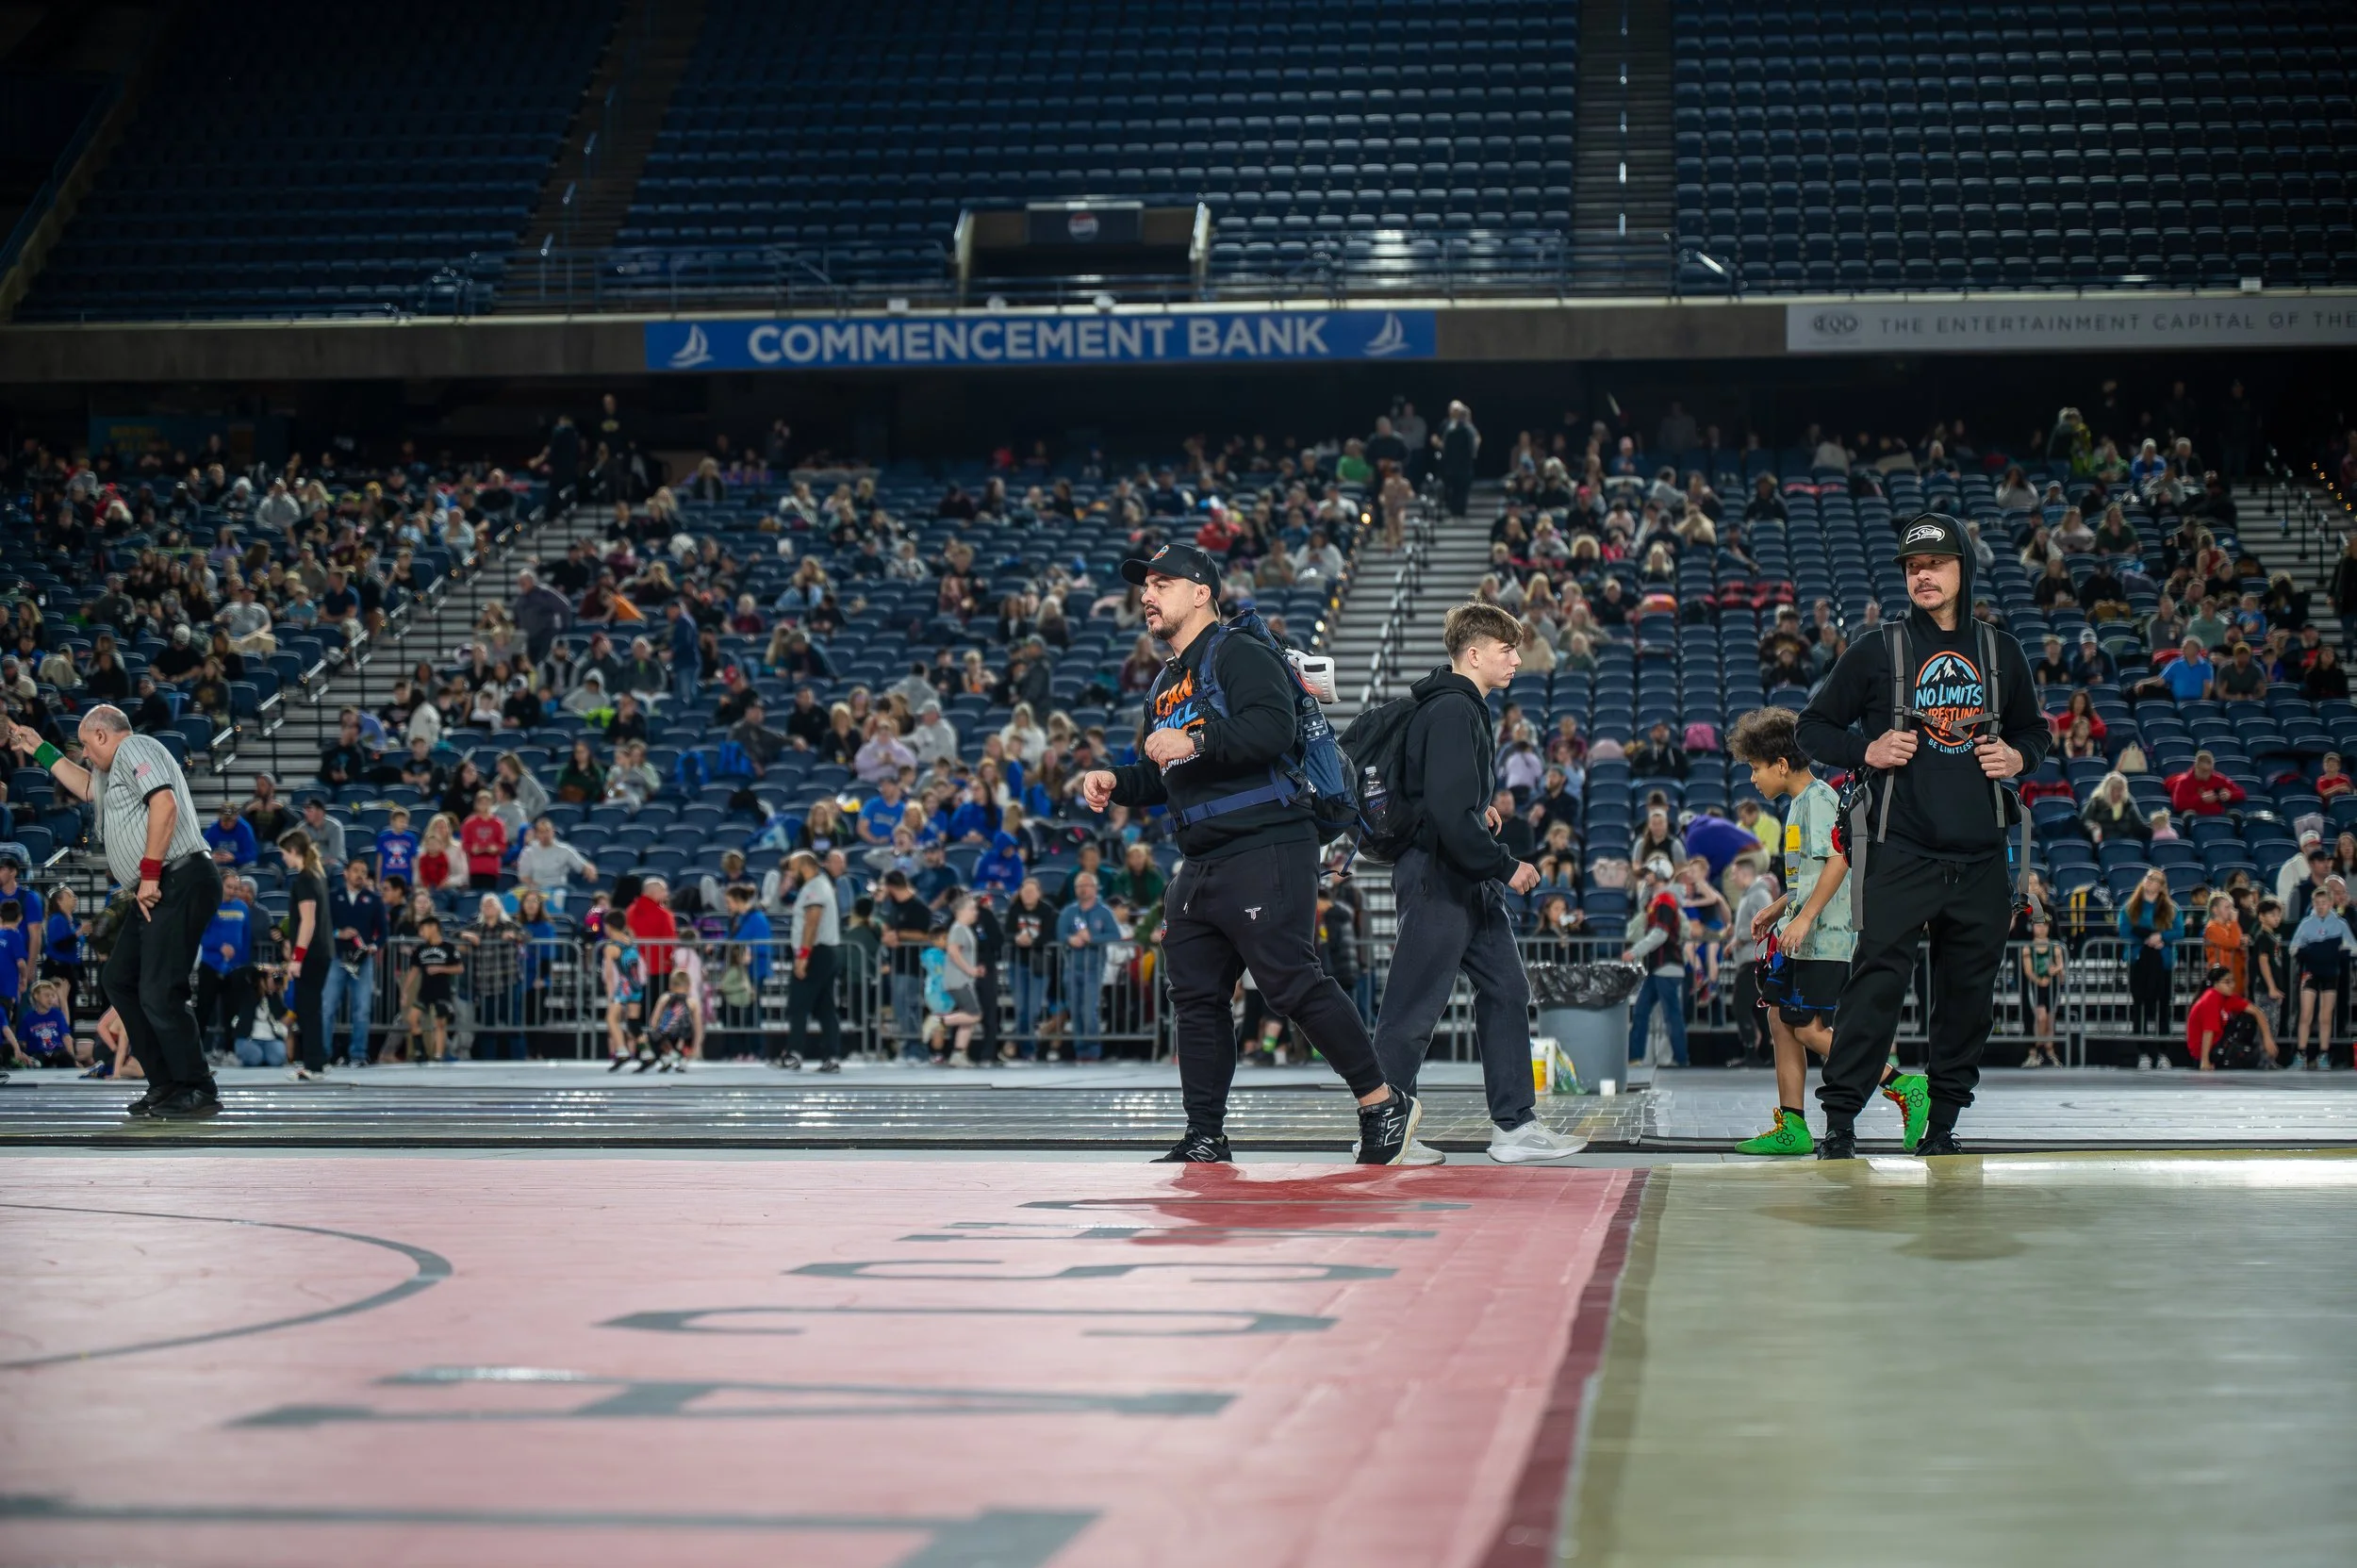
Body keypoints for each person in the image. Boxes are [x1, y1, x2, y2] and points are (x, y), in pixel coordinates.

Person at [1078, 542, 1418, 1163]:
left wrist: (1196, 735)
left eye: (1162, 582)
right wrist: (1116, 779)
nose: (1148, 595)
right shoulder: (1165, 681)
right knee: (1197, 997)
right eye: (1145, 586)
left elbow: (1271, 729)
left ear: (1201, 590)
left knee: (1290, 982)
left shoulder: (1239, 651)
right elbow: (1167, 774)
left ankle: (1381, 1101)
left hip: (1266, 845)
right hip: (1201, 859)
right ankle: (1205, 1133)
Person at [1794, 513, 2049, 1158]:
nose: (1923, 576)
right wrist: (1866, 748)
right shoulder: (1879, 649)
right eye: (1912, 568)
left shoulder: (2001, 651)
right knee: (1875, 988)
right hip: (1900, 851)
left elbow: (2034, 733)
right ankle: (1841, 1125)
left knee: (1968, 1001)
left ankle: (1942, 1128)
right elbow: (1812, 728)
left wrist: (2019, 758)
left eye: (1934, 564)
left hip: (1982, 855)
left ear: (1963, 566)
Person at [1372, 603, 1582, 1165]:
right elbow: (1443, 809)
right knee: (1413, 1007)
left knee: (1508, 991)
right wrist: (1503, 864)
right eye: (1505, 650)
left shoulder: (1459, 708)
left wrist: (1477, 814)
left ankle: (1515, 1128)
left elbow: (1449, 802)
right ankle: (1383, 1131)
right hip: (1439, 874)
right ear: (1473, 654)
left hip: (1460, 873)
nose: (1516, 659)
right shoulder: (1450, 710)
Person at [1724, 706, 1929, 1155]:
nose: (1753, 779)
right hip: (1805, 934)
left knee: (1809, 1029)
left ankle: (1904, 1085)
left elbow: (1841, 858)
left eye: (1756, 768)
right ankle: (1792, 1125)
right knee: (1780, 1017)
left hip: (1828, 939)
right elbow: (1808, 876)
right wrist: (1779, 908)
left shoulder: (1818, 801)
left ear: (1781, 765)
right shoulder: (1799, 805)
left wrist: (1803, 917)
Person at [9, 706, 222, 1116]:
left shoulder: (137, 747)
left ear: (104, 736)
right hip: (159, 884)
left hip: (177, 878)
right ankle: (165, 1084)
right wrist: (39, 749)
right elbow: (88, 786)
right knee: (119, 978)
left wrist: (149, 872)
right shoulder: (113, 771)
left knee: (161, 990)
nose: (86, 754)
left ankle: (198, 1087)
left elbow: (164, 803)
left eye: (87, 746)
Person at [772, 851, 842, 1072]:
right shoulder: (821, 885)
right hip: (826, 951)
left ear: (804, 866)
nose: (791, 875)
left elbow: (812, 922)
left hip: (816, 952)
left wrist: (803, 956)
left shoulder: (815, 888)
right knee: (825, 1007)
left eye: (793, 869)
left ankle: (794, 1053)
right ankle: (831, 1056)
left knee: (799, 1005)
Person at [278, 828, 333, 1081]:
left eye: (284, 853)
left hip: (311, 954)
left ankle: (313, 1065)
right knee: (312, 1008)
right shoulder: (316, 876)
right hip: (320, 952)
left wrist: (297, 957)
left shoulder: (305, 879)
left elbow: (308, 922)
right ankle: (317, 1060)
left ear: (294, 851)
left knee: (308, 1008)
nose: (283, 859)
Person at [322, 856, 386, 1068]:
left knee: (362, 1009)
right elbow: (323, 926)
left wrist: (373, 946)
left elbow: (384, 932)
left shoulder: (373, 899)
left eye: (364, 871)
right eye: (356, 870)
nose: (360, 875)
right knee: (327, 1007)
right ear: (346, 873)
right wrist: (337, 933)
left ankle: (358, 1054)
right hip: (337, 958)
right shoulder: (332, 897)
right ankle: (324, 1054)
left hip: (363, 961)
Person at [2118, 868, 2182, 1065]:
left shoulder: (2171, 908)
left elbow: (2179, 931)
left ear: (2162, 886)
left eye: (2156, 880)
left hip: (2163, 961)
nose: (2150, 882)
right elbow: (2124, 931)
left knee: (2163, 1007)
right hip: (2139, 960)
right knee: (2140, 1007)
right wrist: (2148, 937)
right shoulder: (2130, 907)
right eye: (2148, 878)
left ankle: (2163, 1053)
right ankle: (2142, 1052)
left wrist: (2161, 937)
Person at [2290, 881, 2356, 1070]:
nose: (2321, 907)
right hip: (2310, 972)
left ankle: (2324, 1054)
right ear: (2313, 903)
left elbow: (2353, 947)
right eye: (2317, 903)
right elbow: (2294, 948)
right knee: (2306, 1014)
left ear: (2331, 903)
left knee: (2325, 1016)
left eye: (2324, 903)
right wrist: (2308, 951)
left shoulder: (2340, 923)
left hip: (2330, 973)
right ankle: (2300, 1054)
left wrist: (2339, 952)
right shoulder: (2306, 923)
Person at [2189, 964, 2276, 1070]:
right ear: (2215, 984)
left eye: (2232, 981)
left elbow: (2257, 1012)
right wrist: (2205, 1061)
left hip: (2219, 1042)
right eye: (2227, 982)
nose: (2232, 985)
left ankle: (2248, 1052)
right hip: (2204, 1051)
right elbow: (2208, 1030)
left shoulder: (2228, 997)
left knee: (2248, 1016)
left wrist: (2268, 1039)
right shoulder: (2211, 997)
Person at [2019, 915, 2066, 1068]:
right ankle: (2038, 1050)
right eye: (2038, 925)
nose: (2041, 928)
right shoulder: (2028, 947)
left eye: (2044, 926)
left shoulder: (2055, 947)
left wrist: (2056, 971)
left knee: (2050, 1019)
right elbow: (2028, 970)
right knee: (2041, 1017)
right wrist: (2039, 980)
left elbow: (2061, 968)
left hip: (2051, 986)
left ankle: (2050, 1052)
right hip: (2037, 985)